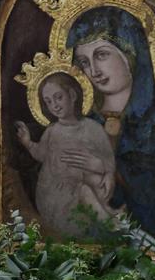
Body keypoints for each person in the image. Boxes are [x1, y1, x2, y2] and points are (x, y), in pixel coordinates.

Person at [66, 6, 155, 237]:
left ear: (130, 53)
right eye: (84, 61)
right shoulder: (81, 124)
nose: (93, 70)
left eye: (101, 55)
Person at [14, 71, 117, 237]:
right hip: (56, 193)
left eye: (58, 97)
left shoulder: (93, 128)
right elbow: (41, 155)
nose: (54, 105)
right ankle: (109, 223)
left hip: (84, 185)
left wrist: (108, 173)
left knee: (94, 180)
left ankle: (108, 215)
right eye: (48, 101)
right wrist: (28, 143)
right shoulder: (52, 131)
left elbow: (108, 158)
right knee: (85, 190)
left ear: (72, 95)